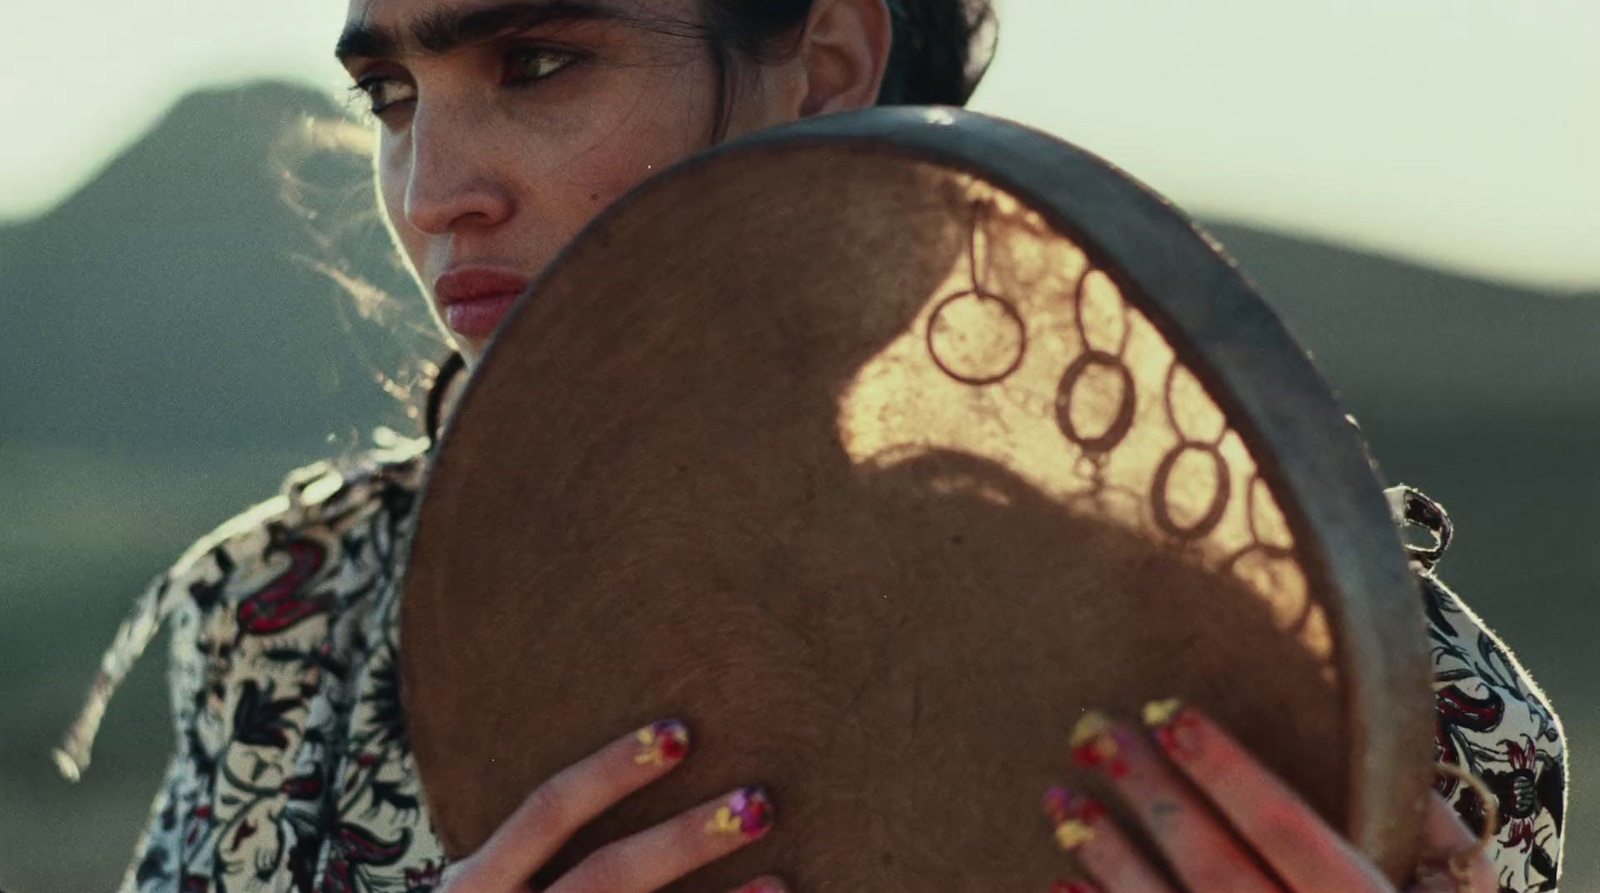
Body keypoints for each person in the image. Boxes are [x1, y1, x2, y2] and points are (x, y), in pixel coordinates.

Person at [56, 1, 1566, 892]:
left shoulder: (1328, 654)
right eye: (390, 94)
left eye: (532, 65)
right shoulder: (283, 618)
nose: (433, 188)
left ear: (829, 61)